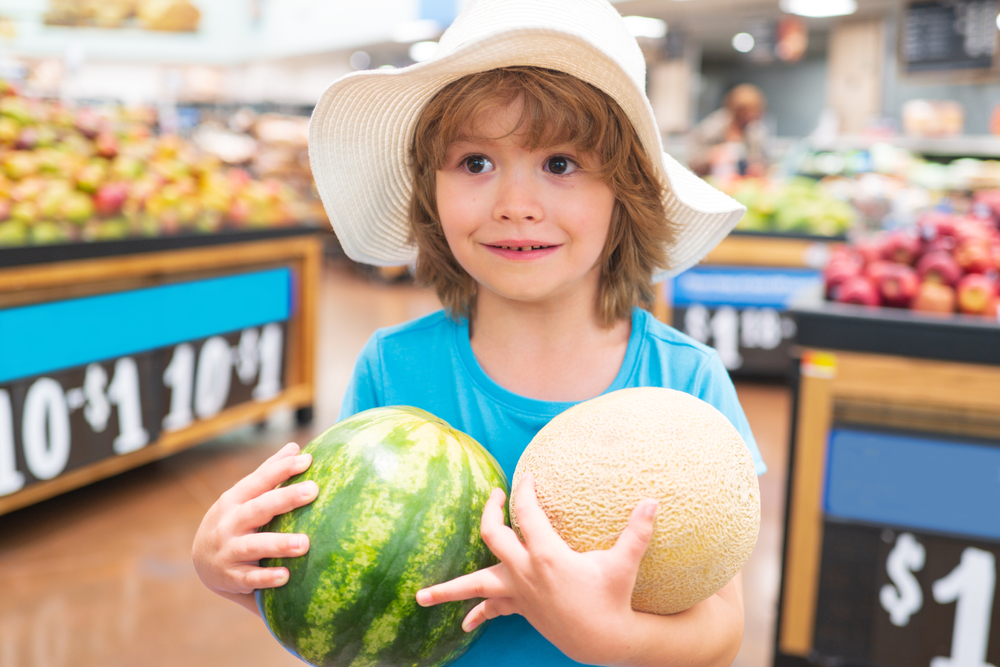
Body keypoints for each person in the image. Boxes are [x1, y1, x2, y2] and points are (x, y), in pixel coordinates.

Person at [192, 1, 767, 665]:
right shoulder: (393, 367)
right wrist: (232, 566)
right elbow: (340, 600)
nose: (514, 204)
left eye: (559, 164)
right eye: (474, 163)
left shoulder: (686, 383)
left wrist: (608, 637)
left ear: (628, 193)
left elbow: (722, 631)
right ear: (428, 192)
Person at [688, 84, 769, 179]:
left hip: (742, 185)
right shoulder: (714, 127)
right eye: (747, 112)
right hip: (711, 183)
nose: (751, 116)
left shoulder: (755, 131)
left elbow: (765, 162)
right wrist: (711, 156)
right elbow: (692, 160)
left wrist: (758, 168)